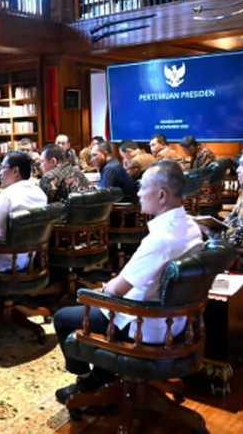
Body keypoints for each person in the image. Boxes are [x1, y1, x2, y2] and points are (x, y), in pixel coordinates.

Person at [53, 161, 203, 403]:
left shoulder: (161, 239)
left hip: (146, 323)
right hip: (178, 321)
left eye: (143, 188)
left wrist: (98, 290)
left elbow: (116, 290)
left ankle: (88, 382)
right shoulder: (192, 226)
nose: (138, 193)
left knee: (63, 318)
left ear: (162, 195)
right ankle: (105, 374)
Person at [0, 151, 48, 271]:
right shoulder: (40, 194)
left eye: (3, 168)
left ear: (15, 171)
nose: (0, 173)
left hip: (3, 263)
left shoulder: (7, 195)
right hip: (30, 261)